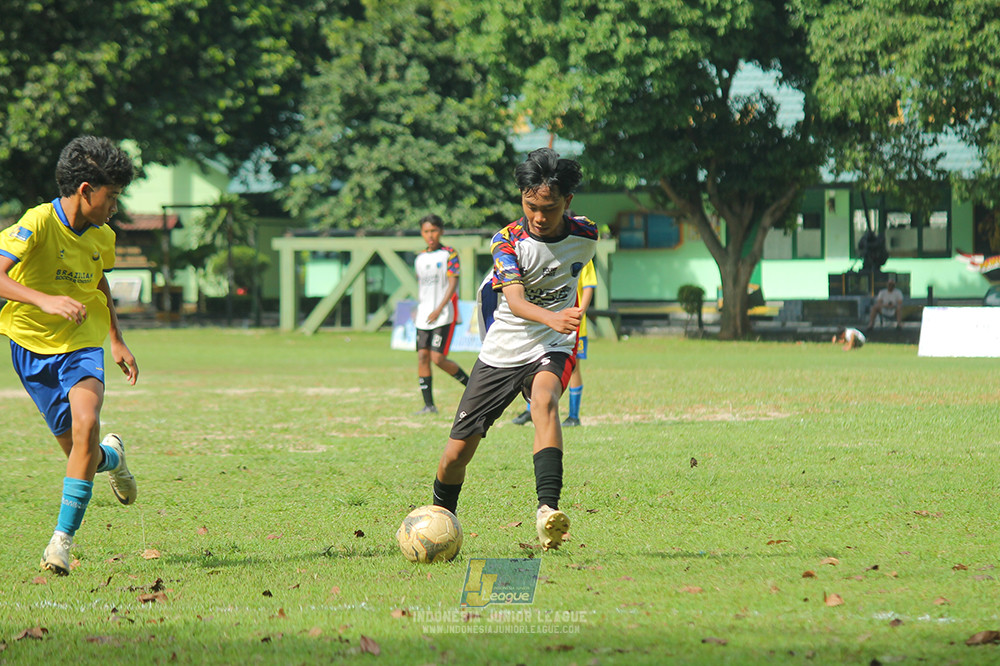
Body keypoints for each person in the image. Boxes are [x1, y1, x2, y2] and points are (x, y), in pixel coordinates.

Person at [430, 147, 597, 551]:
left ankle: (547, 512)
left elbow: (578, 277)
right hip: (503, 349)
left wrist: (565, 320)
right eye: (530, 205)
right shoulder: (507, 241)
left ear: (568, 202)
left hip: (552, 345)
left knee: (544, 402)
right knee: (455, 456)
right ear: (521, 197)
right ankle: (439, 518)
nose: (539, 216)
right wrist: (554, 315)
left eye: (550, 208)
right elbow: (518, 302)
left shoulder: (587, 233)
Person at [0, 136, 139, 575]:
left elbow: (99, 283)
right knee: (81, 451)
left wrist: (115, 337)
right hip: (30, 347)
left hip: (82, 343)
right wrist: (44, 300)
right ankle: (111, 457)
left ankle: (61, 542)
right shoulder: (38, 223)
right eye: (111, 196)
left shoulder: (103, 236)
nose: (115, 206)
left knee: (85, 422)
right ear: (84, 190)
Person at [512, 257, 596, 427]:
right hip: (548, 322)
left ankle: (573, 415)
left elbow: (588, 286)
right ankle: (531, 409)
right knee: (535, 362)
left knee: (574, 368)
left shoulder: (582, 252)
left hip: (573, 325)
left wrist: (579, 313)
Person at [413, 214, 469, 414]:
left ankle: (471, 388)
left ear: (441, 231)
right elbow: (422, 287)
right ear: (422, 233)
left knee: (438, 358)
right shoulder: (419, 258)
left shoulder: (449, 254)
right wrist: (419, 308)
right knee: (422, 357)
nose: (430, 235)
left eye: (434, 231)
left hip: (443, 314)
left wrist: (439, 308)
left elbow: (453, 283)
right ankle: (429, 405)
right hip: (423, 316)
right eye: (426, 231)